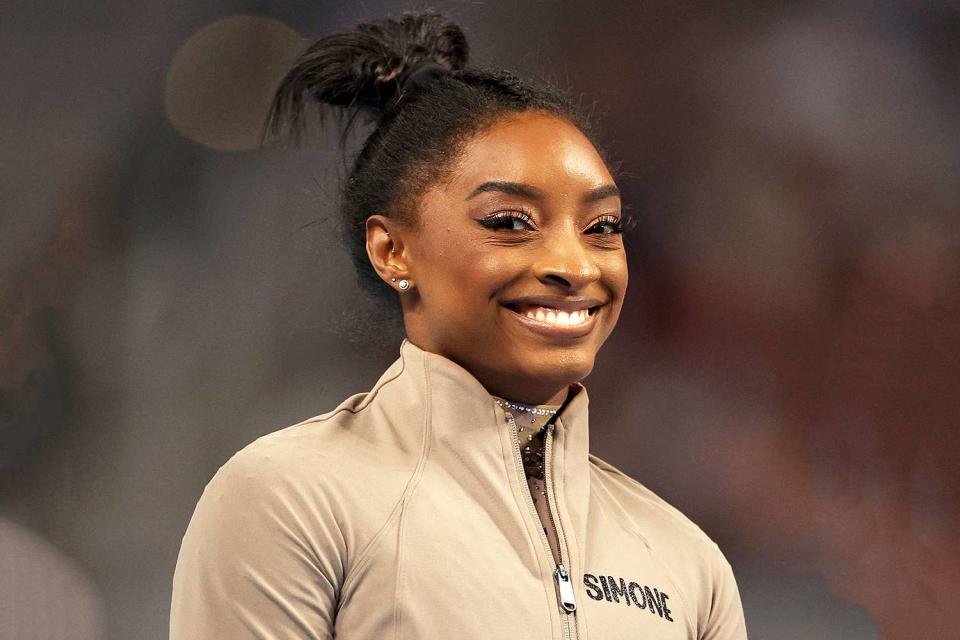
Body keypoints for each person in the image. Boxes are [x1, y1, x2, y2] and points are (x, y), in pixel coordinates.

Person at [170, 11, 748, 640]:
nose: (573, 265)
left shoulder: (687, 563)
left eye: (601, 228)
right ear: (394, 251)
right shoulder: (290, 500)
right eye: (508, 221)